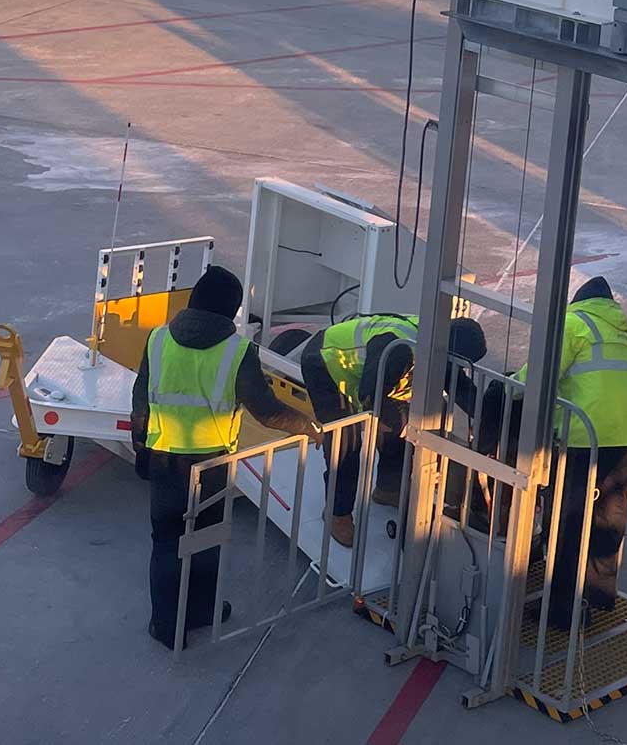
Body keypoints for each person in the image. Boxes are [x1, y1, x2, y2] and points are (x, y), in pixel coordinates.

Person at [130, 264, 315, 649]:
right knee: (206, 538)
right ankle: (202, 611)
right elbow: (266, 411)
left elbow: (140, 402)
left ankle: (165, 625)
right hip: (211, 466)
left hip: (164, 461)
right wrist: (310, 427)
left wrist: (141, 450)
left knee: (166, 542)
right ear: (229, 311)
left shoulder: (158, 339)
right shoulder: (238, 351)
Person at [484, 277, 627, 631]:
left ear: (579, 301)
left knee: (569, 519)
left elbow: (542, 373)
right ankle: (598, 593)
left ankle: (561, 607)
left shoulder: (575, 323)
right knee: (609, 512)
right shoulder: (626, 335)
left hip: (586, 433)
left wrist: (509, 390)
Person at [300, 311, 489, 549]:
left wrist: (494, 418)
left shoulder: (442, 345)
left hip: (373, 376)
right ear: (448, 352)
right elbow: (369, 394)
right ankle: (337, 513)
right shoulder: (400, 348)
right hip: (326, 363)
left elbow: (461, 390)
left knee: (398, 427)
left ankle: (387, 488)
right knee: (345, 441)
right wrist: (393, 420)